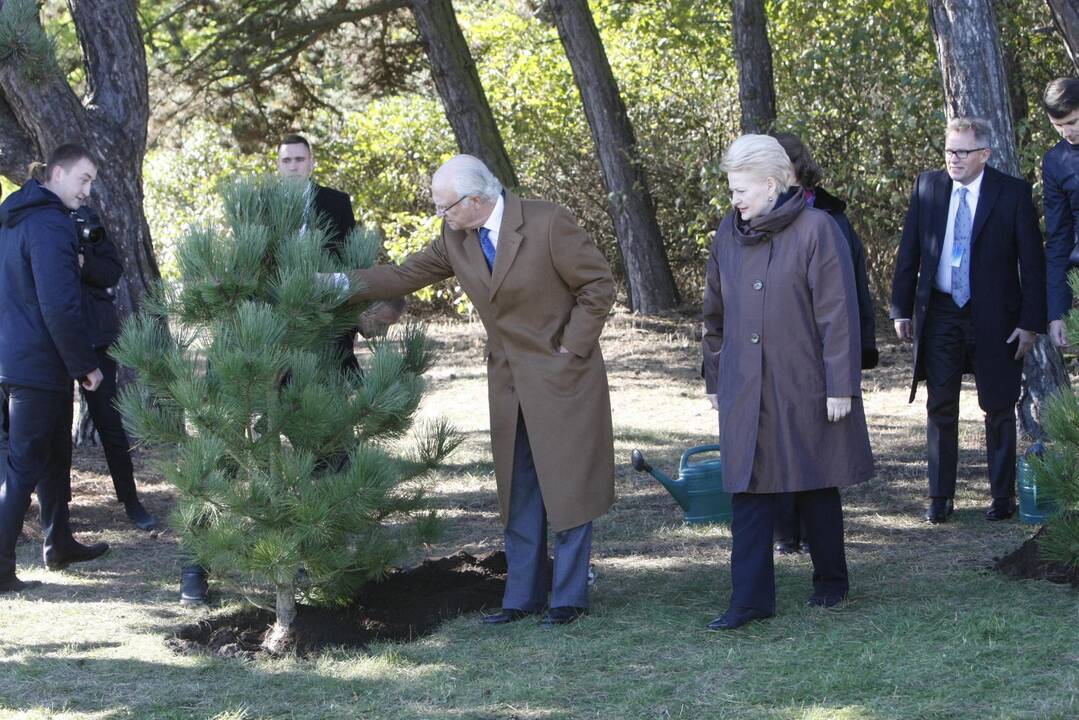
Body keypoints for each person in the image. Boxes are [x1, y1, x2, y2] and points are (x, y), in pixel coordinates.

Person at [335, 154, 616, 627]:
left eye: (445, 206)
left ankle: (569, 598)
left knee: (567, 484)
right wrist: (334, 282)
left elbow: (598, 284)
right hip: (508, 381)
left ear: (476, 200)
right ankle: (521, 598)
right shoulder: (455, 238)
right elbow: (404, 275)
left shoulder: (548, 222)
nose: (440, 216)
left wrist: (571, 347)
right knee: (518, 485)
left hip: (564, 376)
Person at [178, 135, 404, 605]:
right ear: (277, 165)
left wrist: (353, 320)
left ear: (312, 162)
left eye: (300, 159)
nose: (293, 166)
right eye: (286, 160)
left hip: (321, 345)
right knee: (223, 453)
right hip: (259, 344)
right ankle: (194, 566)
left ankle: (325, 557)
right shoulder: (257, 206)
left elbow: (352, 270)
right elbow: (245, 270)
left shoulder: (336, 204)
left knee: (328, 450)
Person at [702, 134, 873, 630]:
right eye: (731, 190)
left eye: (741, 190)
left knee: (814, 477)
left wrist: (841, 385)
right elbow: (714, 312)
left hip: (803, 379)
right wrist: (715, 375)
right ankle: (750, 600)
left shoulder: (818, 229)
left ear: (773, 184)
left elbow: (838, 313)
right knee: (748, 489)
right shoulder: (727, 233)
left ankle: (831, 581)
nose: (734, 200)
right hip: (743, 382)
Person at [890, 117, 1046, 524]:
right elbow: (910, 251)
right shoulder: (929, 187)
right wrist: (900, 309)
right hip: (941, 311)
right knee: (940, 404)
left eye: (962, 152)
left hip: (995, 315)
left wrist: (1031, 322)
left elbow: (1032, 264)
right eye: (948, 151)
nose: (953, 159)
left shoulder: (1011, 193)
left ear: (984, 155)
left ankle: (1002, 498)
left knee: (997, 406)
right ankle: (939, 498)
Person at [0, 144, 109, 593]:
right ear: (58, 173)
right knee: (23, 466)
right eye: (83, 180)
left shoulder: (14, 217)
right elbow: (59, 304)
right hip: (37, 364)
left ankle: (58, 543)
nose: (87, 191)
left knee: (53, 457)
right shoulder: (49, 224)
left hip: (14, 358)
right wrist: (85, 364)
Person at [770, 131, 878, 555]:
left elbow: (853, 288)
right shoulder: (750, 213)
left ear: (796, 167)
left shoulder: (830, 215)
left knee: (818, 438)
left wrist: (858, 347)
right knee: (776, 435)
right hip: (779, 341)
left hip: (822, 344)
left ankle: (817, 533)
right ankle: (785, 531)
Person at [74, 205, 158, 531]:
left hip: (95, 336)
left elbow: (112, 270)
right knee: (47, 430)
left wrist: (83, 264)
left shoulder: (87, 219)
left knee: (110, 422)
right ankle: (55, 511)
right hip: (49, 338)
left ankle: (131, 500)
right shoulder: (38, 219)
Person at [1042, 78, 1079, 348]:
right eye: (1058, 126)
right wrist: (1058, 314)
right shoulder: (1055, 162)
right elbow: (1059, 240)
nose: (1068, 132)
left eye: (1074, 121)